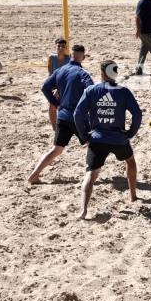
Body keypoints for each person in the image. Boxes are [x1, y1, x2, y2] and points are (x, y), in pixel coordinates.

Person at [74, 60, 142, 220]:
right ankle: (132, 196)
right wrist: (130, 133)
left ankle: (83, 211)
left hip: (97, 138)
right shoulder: (124, 91)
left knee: (90, 175)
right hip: (119, 138)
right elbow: (137, 114)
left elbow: (77, 114)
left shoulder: (91, 90)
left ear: (102, 73)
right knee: (130, 161)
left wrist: (84, 136)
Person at [28, 44, 94, 184]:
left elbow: (45, 87)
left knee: (56, 149)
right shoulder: (83, 74)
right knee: (92, 144)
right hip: (78, 117)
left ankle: (34, 174)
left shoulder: (60, 71)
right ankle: (90, 175)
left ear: (71, 55)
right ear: (83, 57)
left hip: (63, 115)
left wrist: (56, 104)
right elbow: (91, 92)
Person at [47, 37, 70, 130]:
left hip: (65, 85)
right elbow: (50, 73)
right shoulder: (52, 58)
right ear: (55, 47)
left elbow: (69, 76)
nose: (60, 48)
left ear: (66, 48)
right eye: (59, 46)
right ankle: (54, 128)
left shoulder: (69, 59)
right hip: (53, 84)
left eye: (63, 46)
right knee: (52, 105)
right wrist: (53, 88)